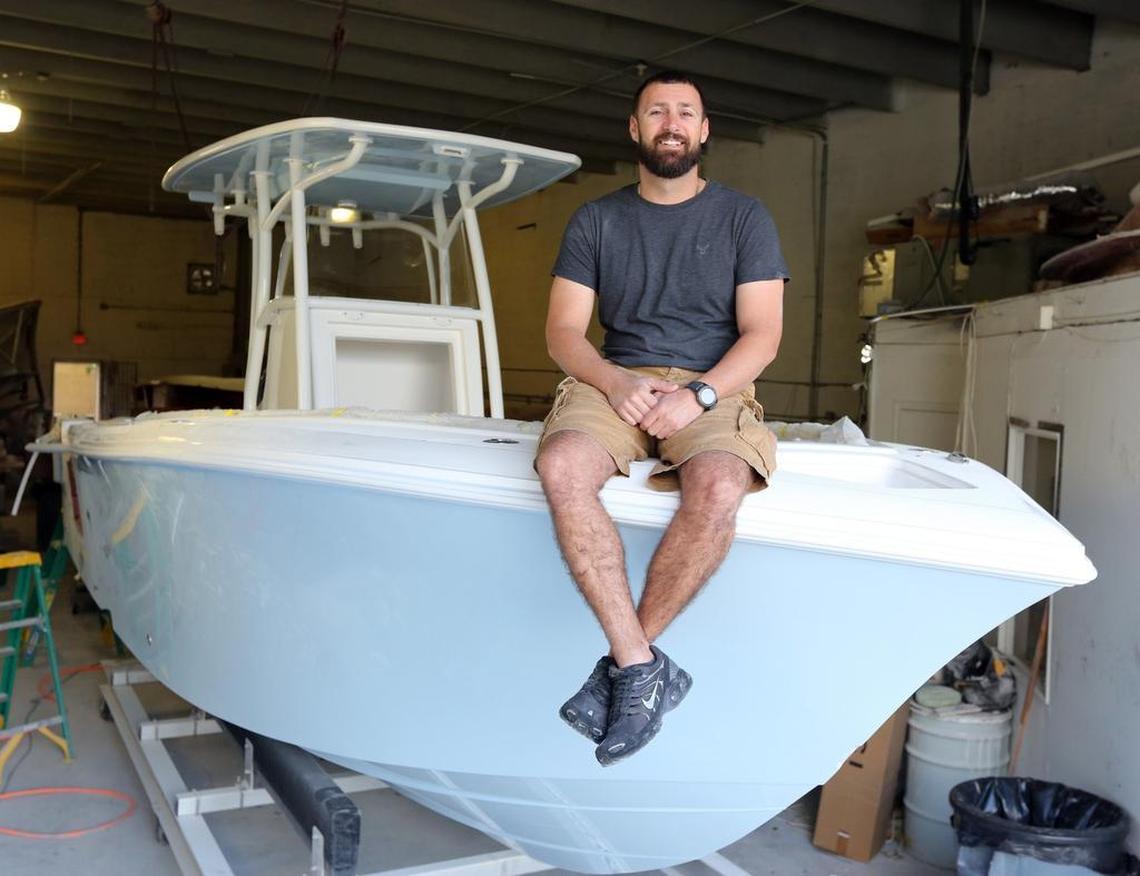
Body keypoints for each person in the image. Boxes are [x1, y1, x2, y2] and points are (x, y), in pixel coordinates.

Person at [534, 70, 789, 766]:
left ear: (704, 131)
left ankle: (623, 670)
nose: (671, 123)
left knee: (718, 485)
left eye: (686, 113)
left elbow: (762, 334)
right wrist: (614, 381)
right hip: (619, 380)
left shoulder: (745, 217)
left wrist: (701, 395)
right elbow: (563, 332)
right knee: (560, 465)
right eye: (656, 112)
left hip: (712, 386)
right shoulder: (596, 219)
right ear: (636, 129)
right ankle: (642, 667)